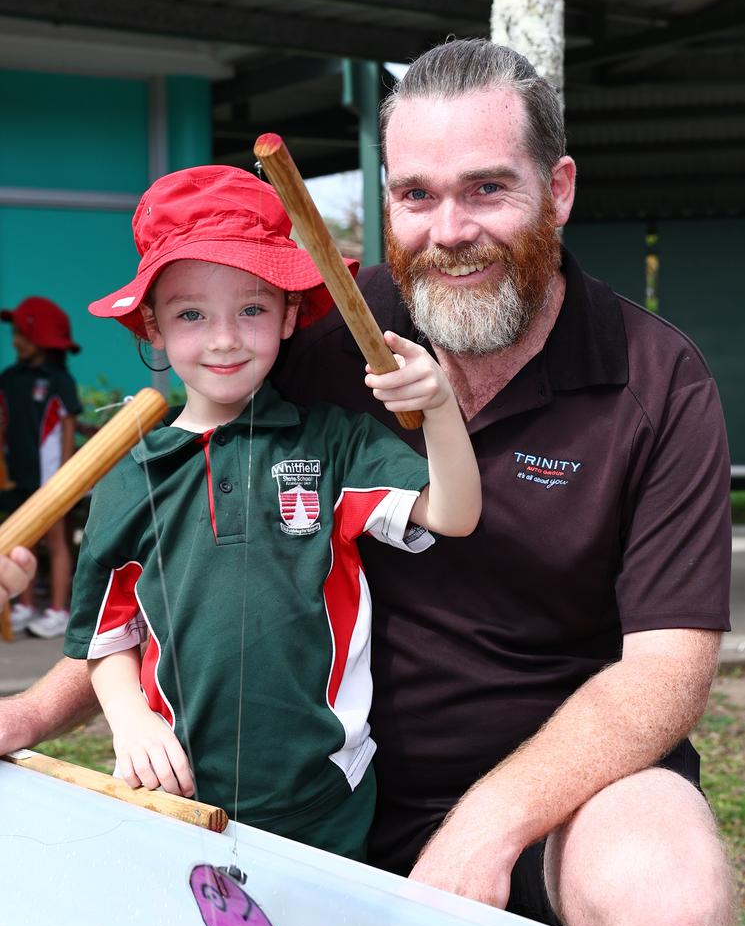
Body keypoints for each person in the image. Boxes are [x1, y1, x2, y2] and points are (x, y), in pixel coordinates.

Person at [0, 38, 738, 926]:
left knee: (672, 910)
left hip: (559, 793)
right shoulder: (303, 335)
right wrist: (27, 713)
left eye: (487, 189)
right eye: (417, 194)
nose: (448, 229)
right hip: (321, 799)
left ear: (557, 189)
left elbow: (665, 674)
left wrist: (485, 828)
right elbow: (158, 570)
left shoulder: (655, 378)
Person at [61, 164, 480, 861]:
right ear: (152, 327)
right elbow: (107, 636)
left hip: (325, 801)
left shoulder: (335, 442)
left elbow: (454, 513)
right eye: (191, 313)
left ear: (290, 313)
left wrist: (439, 407)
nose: (224, 338)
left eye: (251, 309)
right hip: (175, 798)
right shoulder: (130, 478)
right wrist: (132, 724)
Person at [0, 296, 82, 638]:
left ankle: (59, 609)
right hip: (17, 473)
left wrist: (63, 477)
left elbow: (66, 426)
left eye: (22, 334)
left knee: (56, 539)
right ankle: (24, 604)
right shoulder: (9, 377)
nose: (15, 341)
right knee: (24, 541)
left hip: (51, 478)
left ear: (42, 337)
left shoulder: (59, 380)